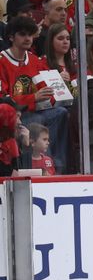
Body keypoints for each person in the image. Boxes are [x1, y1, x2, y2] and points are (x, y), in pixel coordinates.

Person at [0, 16, 68, 170]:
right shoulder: (2, 62)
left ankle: (58, 166)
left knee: (60, 113)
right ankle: (43, 168)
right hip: (14, 117)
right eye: (23, 34)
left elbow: (47, 93)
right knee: (37, 120)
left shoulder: (35, 60)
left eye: (30, 35)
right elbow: (3, 101)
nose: (28, 38)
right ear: (11, 37)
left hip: (36, 110)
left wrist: (57, 86)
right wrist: (33, 97)